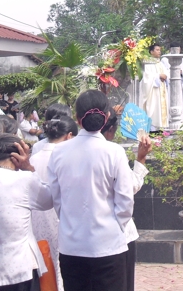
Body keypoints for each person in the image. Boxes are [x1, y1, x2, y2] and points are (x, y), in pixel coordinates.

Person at [48, 90, 134, 291]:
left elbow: (57, 198)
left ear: (77, 119)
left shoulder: (59, 152)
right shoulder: (114, 152)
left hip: (72, 245)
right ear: (106, 118)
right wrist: (114, 226)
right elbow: (125, 201)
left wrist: (71, 221)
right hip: (108, 243)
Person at [0, 134, 53, 290]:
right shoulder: (25, 180)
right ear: (20, 157)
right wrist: (29, 168)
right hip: (21, 270)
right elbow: (48, 200)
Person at [101, 107, 152, 291]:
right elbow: (129, 188)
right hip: (116, 235)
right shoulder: (114, 152)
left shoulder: (65, 151)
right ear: (112, 130)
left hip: (79, 239)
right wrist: (141, 157)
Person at [31, 116, 79, 291]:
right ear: (69, 136)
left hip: (36, 221)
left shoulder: (33, 158)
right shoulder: (67, 158)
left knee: (44, 269)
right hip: (62, 219)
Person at [140, 43, 169, 130]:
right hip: (154, 90)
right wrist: (159, 76)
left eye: (160, 50)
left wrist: (166, 76)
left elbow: (166, 74)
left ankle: (162, 127)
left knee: (162, 108)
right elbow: (147, 78)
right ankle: (153, 127)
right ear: (151, 52)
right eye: (157, 50)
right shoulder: (148, 63)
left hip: (162, 89)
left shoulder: (160, 63)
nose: (159, 52)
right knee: (154, 107)